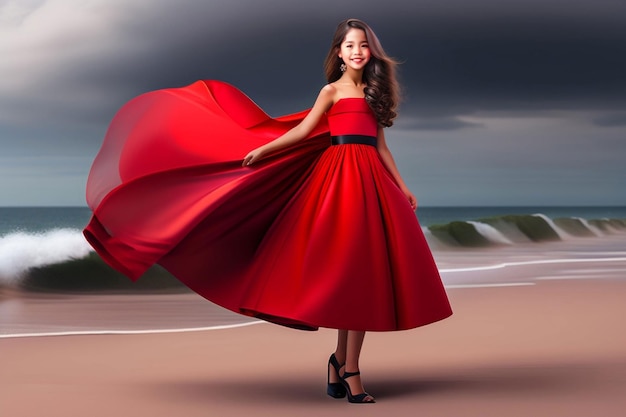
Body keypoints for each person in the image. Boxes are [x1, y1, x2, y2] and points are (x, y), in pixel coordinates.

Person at [83, 18, 451, 405]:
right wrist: (265, 149)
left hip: (372, 183)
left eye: (363, 45)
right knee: (351, 275)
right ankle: (350, 372)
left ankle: (340, 363)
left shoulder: (375, 97)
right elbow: (304, 131)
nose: (357, 51)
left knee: (364, 278)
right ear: (339, 54)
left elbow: (381, 147)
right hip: (340, 183)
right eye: (349, 46)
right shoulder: (331, 92)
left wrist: (403, 186)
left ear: (371, 52)